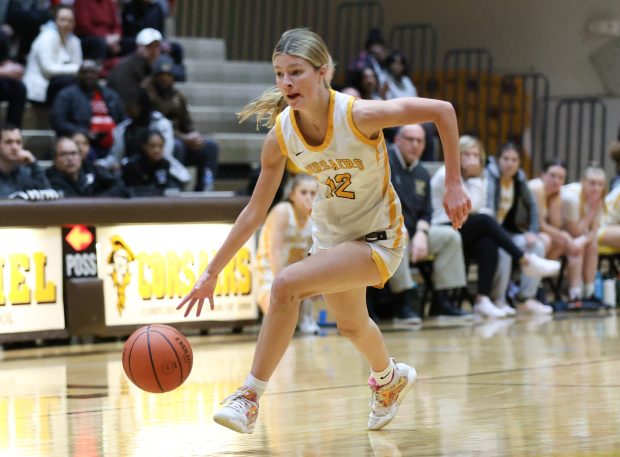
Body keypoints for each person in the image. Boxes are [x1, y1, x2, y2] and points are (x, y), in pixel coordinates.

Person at [176, 28, 471, 434]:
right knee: (351, 325)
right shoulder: (282, 133)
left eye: (296, 72)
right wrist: (212, 272)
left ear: (323, 72)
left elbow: (444, 111)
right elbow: (254, 211)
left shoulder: (358, 115)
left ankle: (248, 395)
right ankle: (389, 379)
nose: (286, 83)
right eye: (280, 74)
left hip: (378, 237)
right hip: (331, 238)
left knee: (285, 286)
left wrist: (453, 181)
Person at [431, 135, 560, 318]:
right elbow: (471, 205)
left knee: (488, 243)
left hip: (466, 227)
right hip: (444, 226)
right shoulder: (447, 173)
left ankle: (482, 300)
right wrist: (475, 177)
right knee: (484, 220)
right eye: (466, 154)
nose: (471, 158)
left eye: (475, 154)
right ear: (456, 155)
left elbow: (481, 207)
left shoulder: (483, 177)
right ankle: (525, 261)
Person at [387, 124, 468, 322]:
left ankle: (441, 301)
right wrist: (404, 229)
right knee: (398, 238)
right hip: (387, 230)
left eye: (419, 141)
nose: (414, 145)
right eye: (410, 139)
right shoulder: (384, 163)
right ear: (397, 140)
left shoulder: (422, 172)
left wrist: (422, 234)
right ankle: (403, 301)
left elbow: (427, 211)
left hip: (415, 232)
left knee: (450, 237)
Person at [486, 143, 553, 315]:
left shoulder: (519, 179)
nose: (510, 163)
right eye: (506, 159)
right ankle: (498, 300)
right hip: (490, 233)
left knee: (536, 245)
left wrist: (532, 231)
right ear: (498, 160)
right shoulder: (490, 176)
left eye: (514, 160)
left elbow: (532, 205)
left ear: (519, 163)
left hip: (508, 232)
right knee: (505, 251)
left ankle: (525, 298)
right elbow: (488, 211)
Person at [255, 173, 321, 334]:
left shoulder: (315, 217)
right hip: (270, 274)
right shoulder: (283, 211)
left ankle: (305, 316)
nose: (308, 197)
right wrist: (281, 285)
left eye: (313, 193)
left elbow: (318, 256)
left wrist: (318, 285)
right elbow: (274, 251)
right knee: (280, 321)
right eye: (303, 192)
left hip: (296, 277)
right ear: (292, 195)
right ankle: (272, 316)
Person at [143, 55, 219, 191]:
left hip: (182, 138)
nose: (165, 78)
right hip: (159, 139)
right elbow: (155, 124)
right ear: (155, 75)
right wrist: (183, 138)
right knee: (177, 146)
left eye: (168, 75)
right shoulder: (147, 94)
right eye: (161, 74)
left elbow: (187, 123)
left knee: (210, 146)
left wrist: (194, 135)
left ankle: (204, 188)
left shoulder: (179, 96)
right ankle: (176, 187)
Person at [104, 89, 190, 186]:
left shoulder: (161, 124)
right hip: (131, 170)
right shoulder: (123, 129)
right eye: (126, 106)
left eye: (131, 106)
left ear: (141, 106)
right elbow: (116, 157)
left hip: (158, 169)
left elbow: (163, 154)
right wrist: (104, 164)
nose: (127, 110)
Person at [51, 60, 125, 158]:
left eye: (92, 72)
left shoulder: (110, 95)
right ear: (79, 74)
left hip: (113, 144)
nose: (88, 75)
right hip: (82, 143)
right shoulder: (66, 95)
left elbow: (121, 119)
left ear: (98, 74)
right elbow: (59, 122)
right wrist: (85, 133)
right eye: (85, 72)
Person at [560, 165, 606, 302]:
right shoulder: (571, 197)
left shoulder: (598, 199)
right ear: (582, 182)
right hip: (559, 233)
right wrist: (592, 212)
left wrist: (584, 240)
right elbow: (575, 231)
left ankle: (589, 292)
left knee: (592, 245)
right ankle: (575, 293)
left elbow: (595, 230)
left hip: (576, 235)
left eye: (600, 184)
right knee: (577, 247)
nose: (596, 188)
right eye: (592, 183)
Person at [23, 5, 82, 105]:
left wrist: (76, 69)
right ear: (55, 21)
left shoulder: (75, 41)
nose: (67, 24)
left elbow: (78, 66)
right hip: (40, 89)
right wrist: (75, 69)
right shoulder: (47, 37)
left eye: (70, 21)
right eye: (63, 20)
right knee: (68, 82)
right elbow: (48, 70)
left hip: (59, 84)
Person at [46, 136, 128, 197]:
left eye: (73, 153)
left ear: (80, 156)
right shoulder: (48, 178)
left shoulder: (92, 169)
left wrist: (98, 201)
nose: (70, 158)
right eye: (63, 154)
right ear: (55, 160)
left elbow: (119, 186)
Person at [107, 28, 161, 104]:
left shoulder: (153, 67)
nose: (154, 51)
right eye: (149, 46)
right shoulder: (125, 68)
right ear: (139, 47)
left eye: (157, 46)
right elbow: (128, 102)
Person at [122, 129, 180, 195]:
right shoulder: (132, 165)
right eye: (152, 146)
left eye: (160, 146)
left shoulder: (165, 164)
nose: (157, 150)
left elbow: (165, 185)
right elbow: (134, 191)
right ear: (144, 146)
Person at [0, 123, 52, 197]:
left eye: (18, 142)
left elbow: (48, 195)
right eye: (8, 142)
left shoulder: (27, 173)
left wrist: (34, 164)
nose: (14, 147)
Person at [0, 29, 26, 127]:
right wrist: (4, 71)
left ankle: (12, 131)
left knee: (18, 88)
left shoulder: (1, 35)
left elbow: (5, 60)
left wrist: (14, 69)